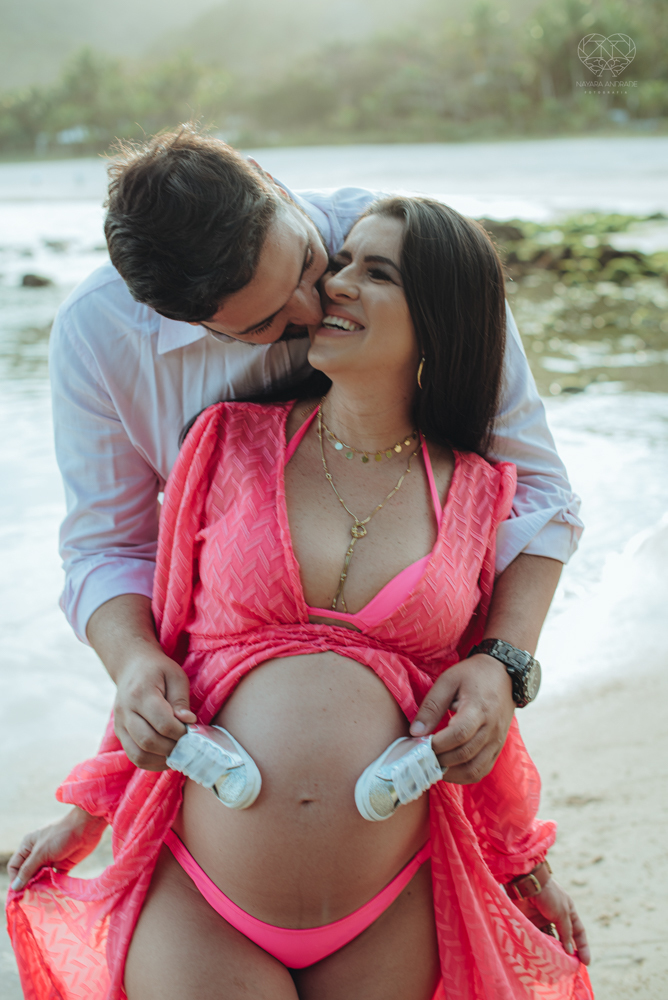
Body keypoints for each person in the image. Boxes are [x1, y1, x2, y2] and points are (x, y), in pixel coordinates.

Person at [7, 196, 592, 1000]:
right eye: (341, 263)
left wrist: (526, 862)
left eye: (374, 273)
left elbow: (473, 699)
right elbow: (174, 648)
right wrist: (89, 808)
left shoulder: (480, 493)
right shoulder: (222, 442)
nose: (330, 289)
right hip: (203, 897)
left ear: (438, 319)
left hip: (393, 904)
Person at [47, 128, 582, 791]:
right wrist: (131, 665)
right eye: (260, 325)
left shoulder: (400, 250)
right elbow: (108, 546)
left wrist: (504, 662)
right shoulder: (100, 336)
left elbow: (537, 486)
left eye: (306, 261)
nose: (312, 306)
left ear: (268, 181)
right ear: (180, 317)